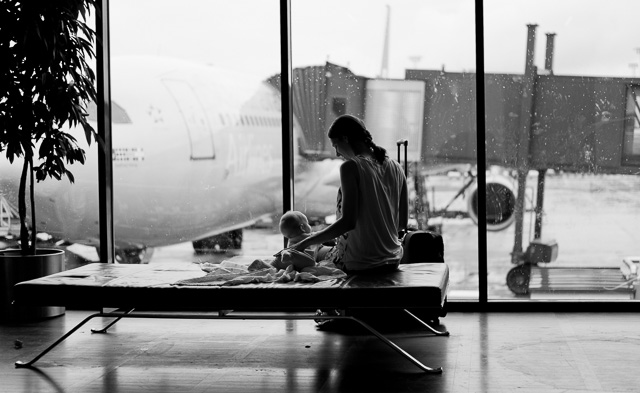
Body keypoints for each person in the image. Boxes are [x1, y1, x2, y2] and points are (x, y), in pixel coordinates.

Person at [291, 114, 408, 274]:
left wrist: (306, 241)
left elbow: (348, 222)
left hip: (360, 262)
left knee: (305, 248)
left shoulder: (351, 167)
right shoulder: (397, 167)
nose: (338, 154)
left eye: (336, 146)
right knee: (320, 245)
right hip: (392, 260)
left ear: (345, 139)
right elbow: (401, 223)